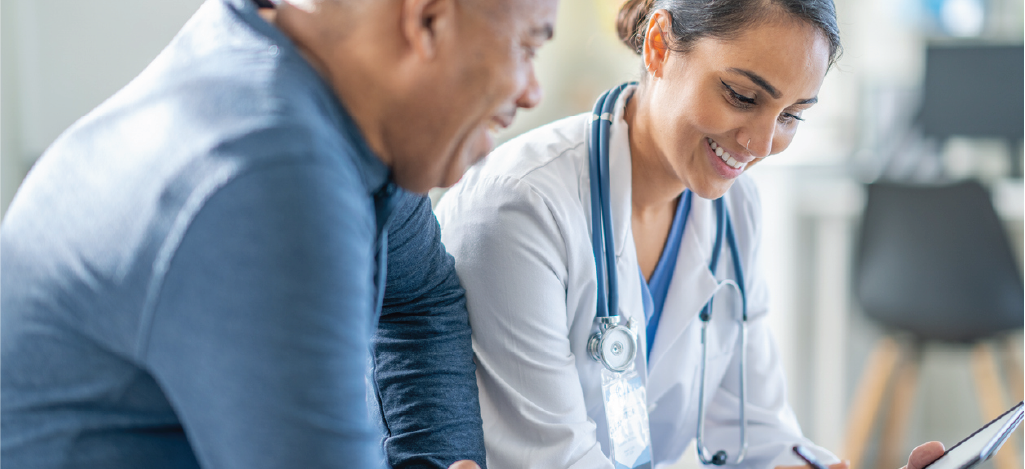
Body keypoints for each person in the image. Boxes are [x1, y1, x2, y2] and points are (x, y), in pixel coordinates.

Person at [0, 0, 556, 468]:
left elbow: (420, 297)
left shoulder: (314, 84)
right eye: (528, 48)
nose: (533, 92)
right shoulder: (269, 172)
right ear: (427, 20)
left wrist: (433, 457)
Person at [436, 0, 946, 468]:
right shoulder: (521, 209)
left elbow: (759, 434)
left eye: (791, 116)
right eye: (742, 95)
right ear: (659, 45)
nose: (762, 144)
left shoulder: (734, 209)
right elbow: (556, 460)